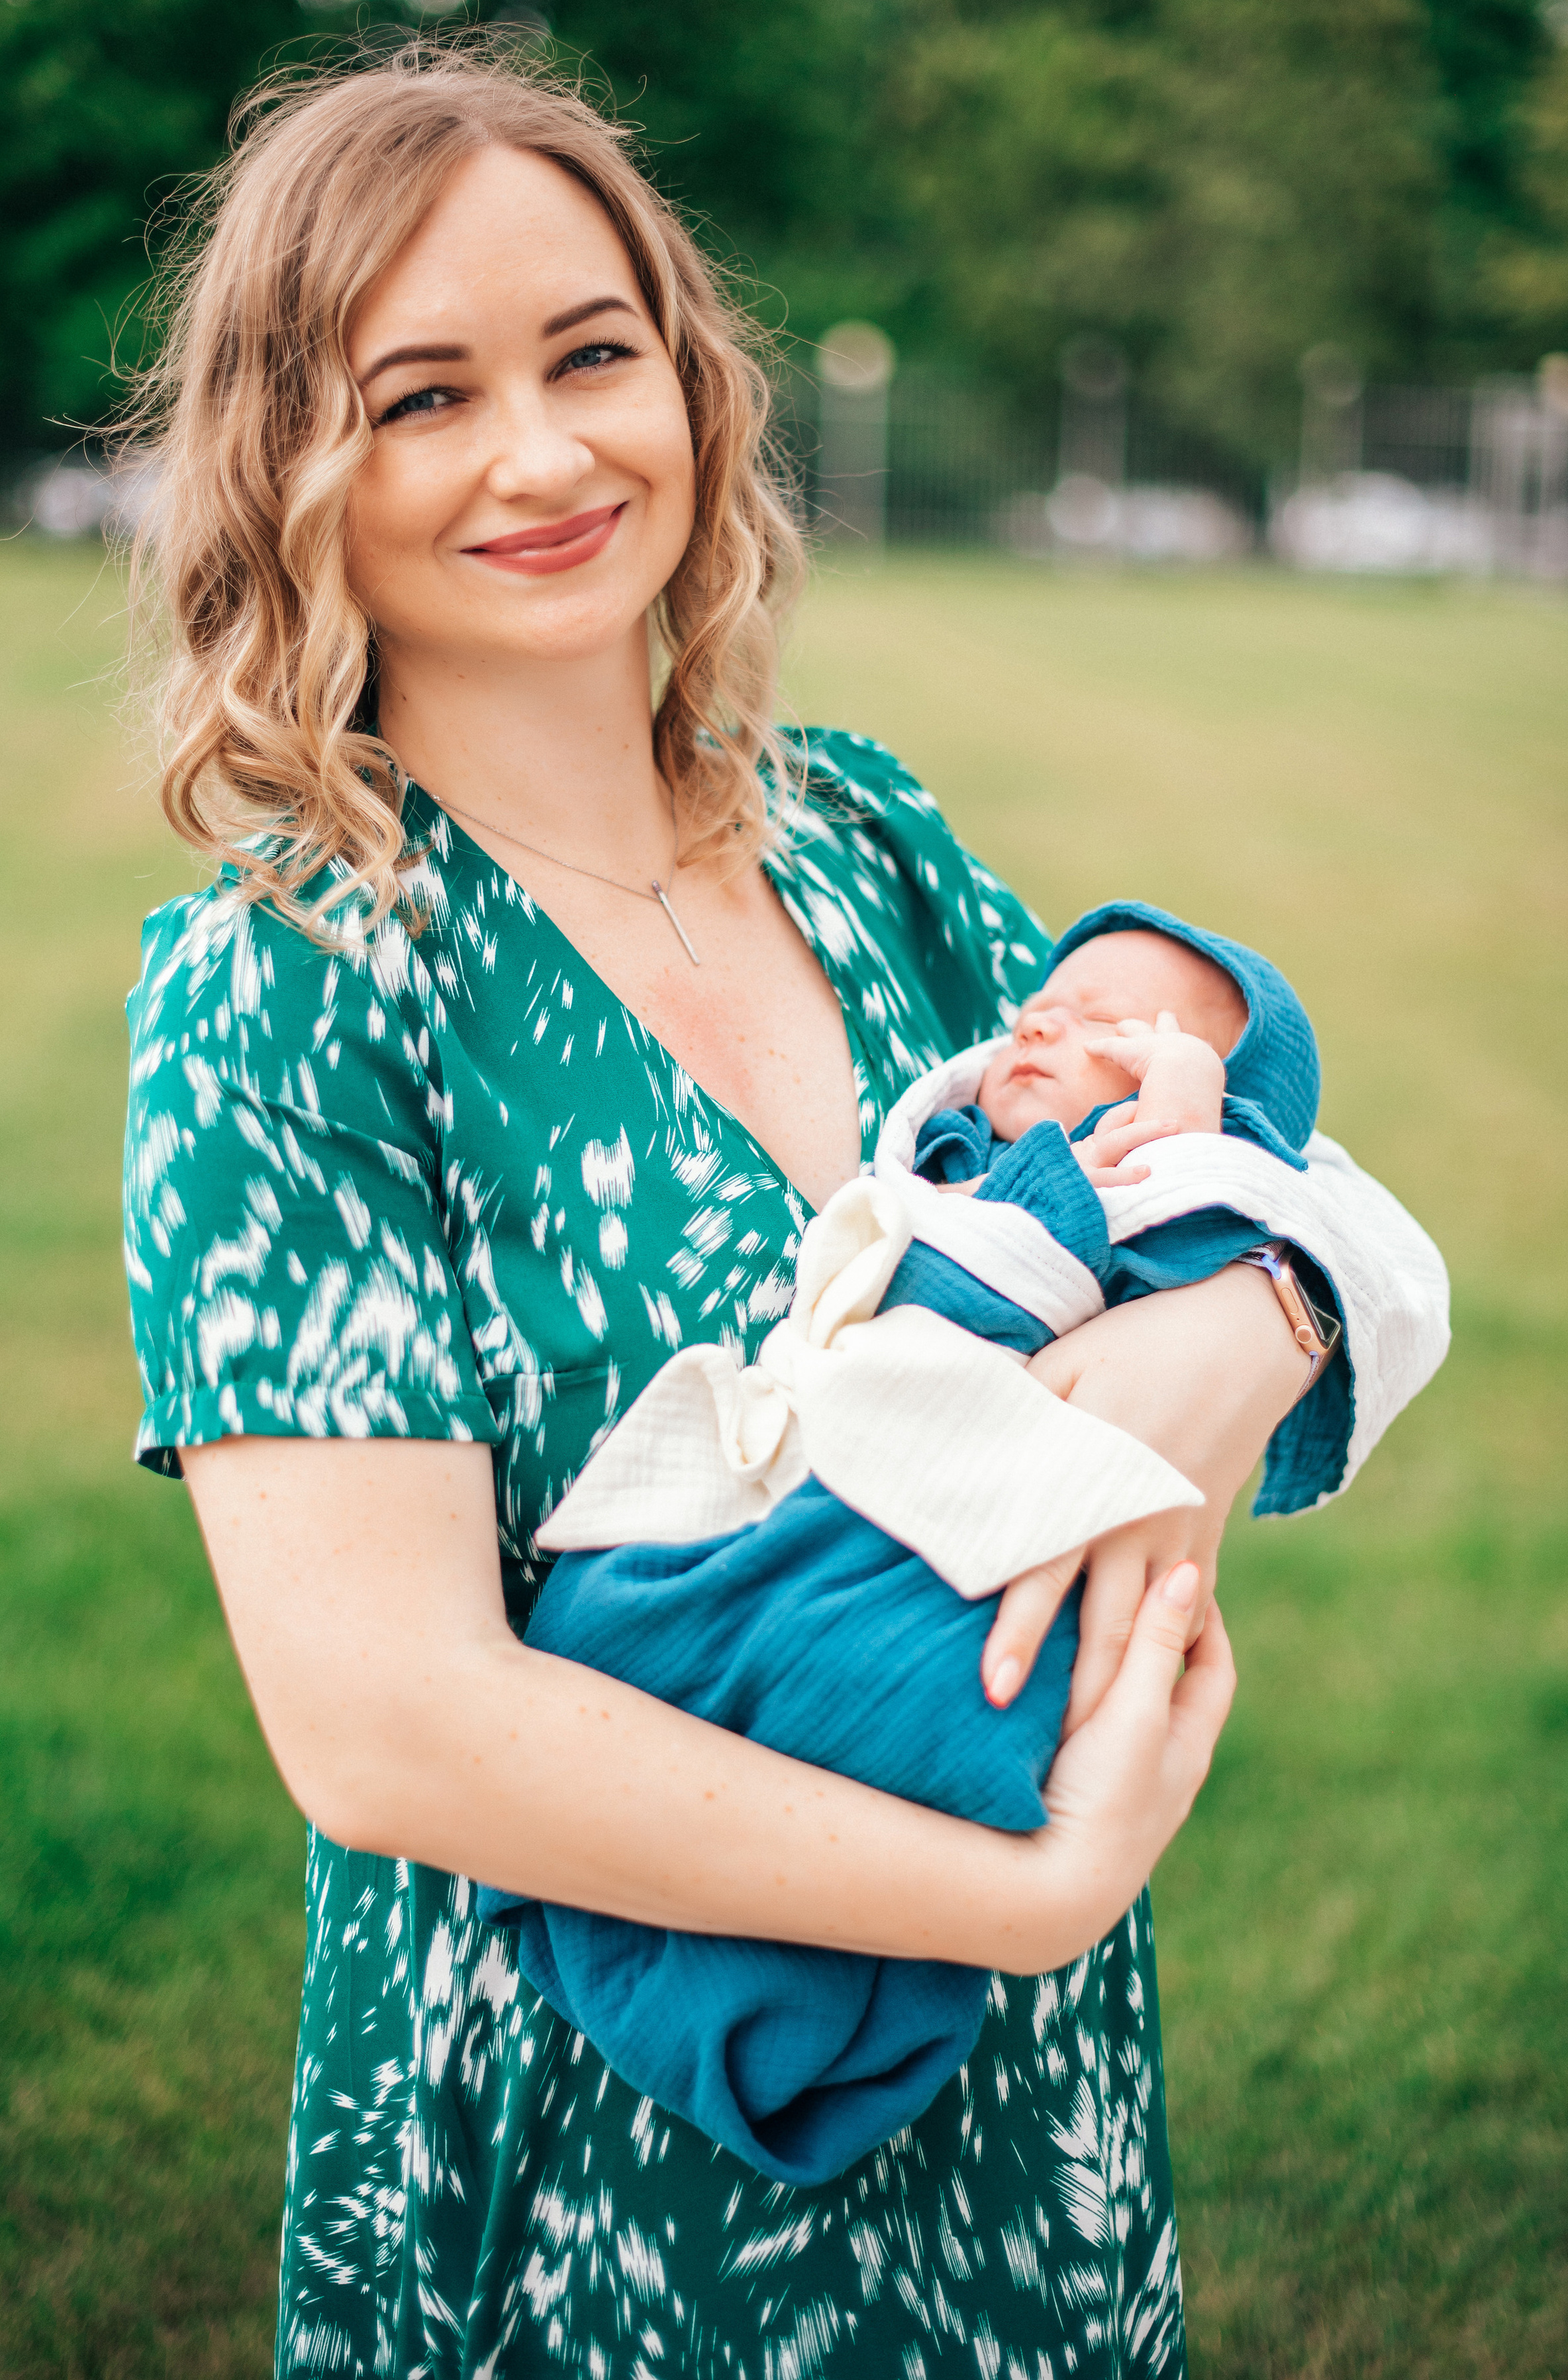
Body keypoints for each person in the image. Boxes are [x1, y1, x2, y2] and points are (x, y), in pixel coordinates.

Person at [120, 44, 1444, 2377]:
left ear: (692, 378)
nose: (542, 455)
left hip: (1028, 2119)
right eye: (423, 395)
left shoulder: (869, 839)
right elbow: (392, 1725)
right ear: (289, 463)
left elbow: (1236, 1160)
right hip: (602, 2141)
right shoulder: (288, 984)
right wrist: (1022, 1893)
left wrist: (1234, 1337)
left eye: (593, 353)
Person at [476, 912, 1444, 2185]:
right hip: (820, 1490)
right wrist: (1044, 1896)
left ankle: (798, 1999)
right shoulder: (966, 1155)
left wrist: (1266, 1298)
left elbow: (1338, 1211)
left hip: (947, 1550)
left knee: (907, 1680)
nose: (1043, 1018)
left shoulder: (1149, 1168)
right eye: (1048, 1003)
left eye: (1115, 1027)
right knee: (610, 1621)